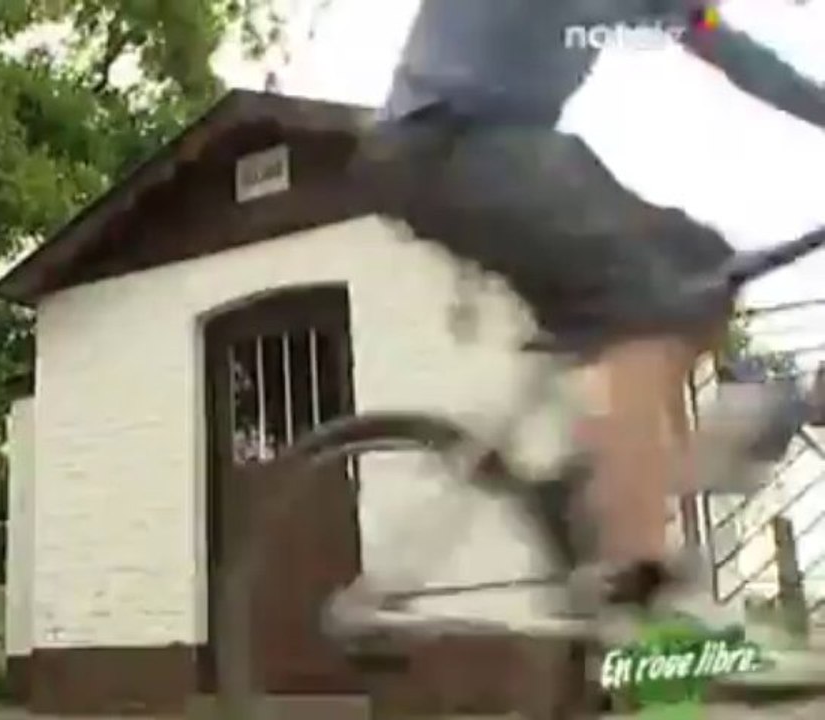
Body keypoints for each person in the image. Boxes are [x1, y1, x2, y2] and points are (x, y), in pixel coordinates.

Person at [341, 0, 825, 656]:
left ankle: (618, 483)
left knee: (702, 264)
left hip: (526, 156)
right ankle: (634, 576)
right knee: (640, 300)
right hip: (441, 145)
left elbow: (724, 46)